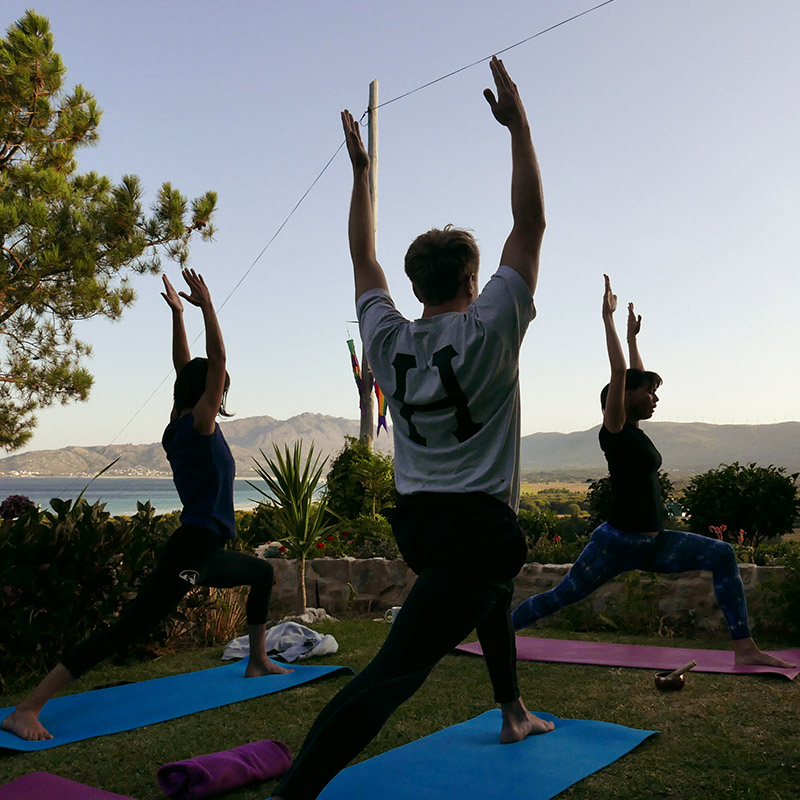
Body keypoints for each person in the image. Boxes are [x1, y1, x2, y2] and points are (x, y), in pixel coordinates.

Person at [271, 56, 552, 800]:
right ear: (470, 281)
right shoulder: (492, 329)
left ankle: (512, 707)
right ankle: (292, 792)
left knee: (486, 595)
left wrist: (361, 174)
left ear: (416, 283)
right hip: (476, 529)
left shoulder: (385, 339)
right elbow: (532, 224)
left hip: (419, 526)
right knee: (393, 672)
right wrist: (519, 127)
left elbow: (363, 255)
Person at [1, 268, 289, 742]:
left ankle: (257, 661)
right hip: (192, 550)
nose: (220, 395)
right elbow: (214, 360)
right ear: (209, 396)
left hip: (205, 546)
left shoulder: (179, 422)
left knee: (261, 573)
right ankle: (27, 708)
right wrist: (208, 308)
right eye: (218, 391)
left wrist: (179, 315)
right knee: (126, 629)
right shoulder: (198, 426)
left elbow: (188, 367)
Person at [511, 275, 795, 670]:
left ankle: (744, 646)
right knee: (562, 596)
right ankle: (501, 633)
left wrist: (633, 338)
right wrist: (607, 320)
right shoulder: (614, 431)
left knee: (722, 554)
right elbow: (620, 372)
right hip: (616, 543)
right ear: (623, 397)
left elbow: (631, 374)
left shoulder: (636, 433)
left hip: (655, 542)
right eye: (649, 392)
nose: (656, 397)